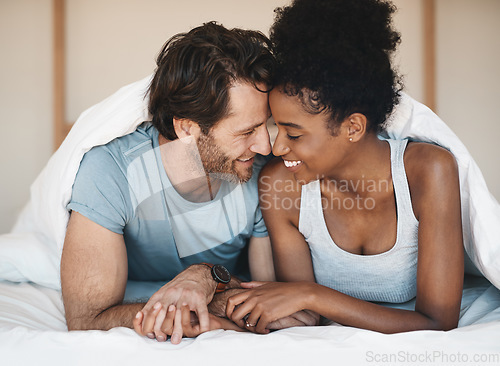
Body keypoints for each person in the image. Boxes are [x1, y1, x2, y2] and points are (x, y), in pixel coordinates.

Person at [226, 0, 464, 334]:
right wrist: (305, 299)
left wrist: (311, 294)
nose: (277, 148)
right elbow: (304, 318)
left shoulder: (428, 172)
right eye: (276, 128)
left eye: (293, 133)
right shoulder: (281, 185)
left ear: (353, 127)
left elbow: (438, 321)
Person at [61, 22, 279, 344]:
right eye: (247, 132)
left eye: (266, 126)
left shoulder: (258, 172)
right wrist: (206, 304)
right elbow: (86, 319)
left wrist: (207, 276)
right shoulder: (113, 172)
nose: (266, 147)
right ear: (188, 129)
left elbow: (274, 302)